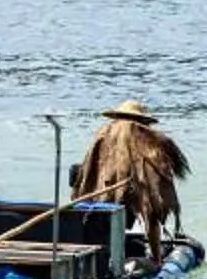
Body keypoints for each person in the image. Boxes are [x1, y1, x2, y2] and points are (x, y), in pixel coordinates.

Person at [74, 100, 190, 256]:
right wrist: (157, 258)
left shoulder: (101, 138)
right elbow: (152, 213)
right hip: (106, 211)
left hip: (98, 215)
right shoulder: (148, 150)